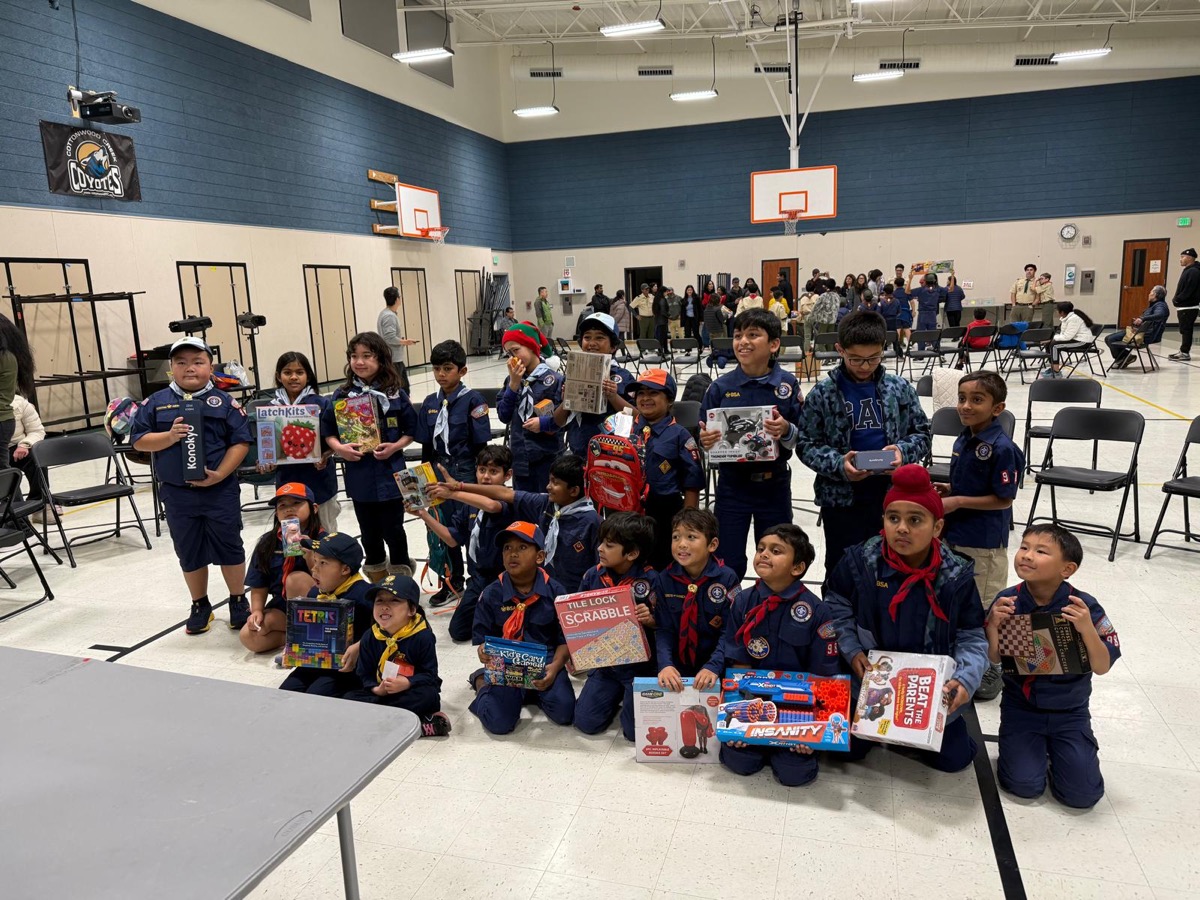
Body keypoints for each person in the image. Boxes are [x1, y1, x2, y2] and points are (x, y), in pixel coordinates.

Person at [825, 464, 989, 774]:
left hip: (927, 686)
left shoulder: (955, 574)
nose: (902, 528)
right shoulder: (861, 560)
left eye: (915, 520)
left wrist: (966, 679)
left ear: (937, 527)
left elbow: (972, 635)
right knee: (846, 750)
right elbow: (836, 603)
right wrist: (851, 649)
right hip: (871, 677)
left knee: (954, 761)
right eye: (893, 518)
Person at [987, 525, 1120, 808]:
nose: (1027, 555)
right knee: (1023, 786)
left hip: (1070, 712)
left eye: (1041, 551)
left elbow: (1102, 666)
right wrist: (993, 627)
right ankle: (1029, 750)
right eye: (1024, 547)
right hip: (1021, 708)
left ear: (1067, 569)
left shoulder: (1083, 606)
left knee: (1083, 795)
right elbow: (994, 659)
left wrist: (1087, 629)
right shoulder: (1008, 601)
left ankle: (1059, 751)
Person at [797, 311, 931, 584]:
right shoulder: (823, 393)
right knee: (842, 564)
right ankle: (839, 620)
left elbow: (922, 433)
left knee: (892, 562)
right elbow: (806, 444)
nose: (864, 366)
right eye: (855, 359)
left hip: (892, 491)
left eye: (873, 358)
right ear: (840, 349)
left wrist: (901, 452)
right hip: (841, 495)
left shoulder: (899, 388)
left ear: (883, 348)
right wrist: (838, 465)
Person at [130, 337, 253, 635]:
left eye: (198, 362)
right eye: (181, 362)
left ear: (211, 367)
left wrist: (222, 474)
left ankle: (238, 600)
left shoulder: (224, 402)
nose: (189, 368)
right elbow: (138, 440)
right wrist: (169, 437)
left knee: (230, 544)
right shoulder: (156, 403)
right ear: (171, 368)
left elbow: (240, 442)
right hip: (177, 493)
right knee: (188, 549)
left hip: (218, 491)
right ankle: (200, 604)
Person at [720, 525, 840, 787]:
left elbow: (824, 674)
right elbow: (738, 661)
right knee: (739, 760)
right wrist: (738, 721)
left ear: (797, 568)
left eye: (775, 551)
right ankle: (760, 742)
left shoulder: (817, 611)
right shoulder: (743, 601)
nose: (763, 554)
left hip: (797, 708)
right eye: (761, 548)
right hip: (755, 701)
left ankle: (785, 748)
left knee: (794, 773)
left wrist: (812, 733)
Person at [933, 371, 1025, 701]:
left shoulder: (1002, 448)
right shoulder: (965, 437)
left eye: (977, 400)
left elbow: (1004, 498)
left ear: (997, 408)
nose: (966, 406)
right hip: (956, 534)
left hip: (984, 542)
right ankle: (963, 658)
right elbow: (971, 486)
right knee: (956, 598)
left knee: (984, 606)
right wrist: (950, 489)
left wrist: (956, 501)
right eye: (962, 398)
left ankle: (992, 666)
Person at [698, 308, 804, 580]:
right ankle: (728, 613)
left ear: (774, 344)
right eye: (737, 335)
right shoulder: (720, 388)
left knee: (778, 556)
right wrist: (706, 442)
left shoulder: (787, 385)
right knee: (727, 559)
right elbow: (705, 437)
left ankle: (772, 613)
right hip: (733, 486)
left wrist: (786, 430)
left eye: (753, 335)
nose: (742, 341)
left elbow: (802, 436)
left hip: (774, 485)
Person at [324, 332, 417, 584]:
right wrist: (340, 449)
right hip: (360, 478)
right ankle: (377, 584)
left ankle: (401, 584)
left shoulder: (395, 393)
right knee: (369, 534)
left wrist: (395, 446)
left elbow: (411, 430)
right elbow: (328, 433)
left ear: (381, 359)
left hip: (391, 476)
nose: (359, 362)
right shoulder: (341, 396)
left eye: (367, 356)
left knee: (395, 531)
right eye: (354, 356)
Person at [468, 522, 575, 734]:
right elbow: (483, 638)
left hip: (546, 662)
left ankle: (531, 692)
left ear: (540, 557)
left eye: (522, 548)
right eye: (507, 548)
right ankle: (481, 682)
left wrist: (554, 669)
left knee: (565, 713)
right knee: (499, 724)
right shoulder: (492, 593)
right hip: (506, 663)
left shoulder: (556, 591)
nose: (512, 554)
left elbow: (565, 639)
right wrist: (483, 652)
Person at [413, 339, 492, 606]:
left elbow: (481, 445)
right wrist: (424, 477)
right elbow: (426, 444)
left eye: (447, 368)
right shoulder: (429, 403)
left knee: (471, 526)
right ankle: (452, 580)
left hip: (466, 469)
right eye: (436, 369)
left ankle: (478, 581)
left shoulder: (473, 400)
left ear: (462, 371)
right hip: (438, 469)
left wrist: (481, 478)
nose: (441, 375)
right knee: (443, 528)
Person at [452, 453, 599, 593]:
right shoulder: (545, 504)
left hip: (577, 594)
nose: (548, 486)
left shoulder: (592, 522)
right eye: (549, 480)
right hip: (545, 590)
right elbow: (505, 493)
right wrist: (461, 487)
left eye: (555, 483)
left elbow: (600, 568)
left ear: (573, 491)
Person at [573, 512, 658, 741]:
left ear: (632, 553)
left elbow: (668, 625)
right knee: (585, 722)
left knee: (634, 735)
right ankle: (612, 694)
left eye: (609, 545)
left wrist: (651, 619)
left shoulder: (652, 581)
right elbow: (578, 618)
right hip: (606, 665)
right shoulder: (593, 575)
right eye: (601, 542)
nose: (600, 548)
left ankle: (627, 696)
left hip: (640, 669)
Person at [420, 446, 515, 642]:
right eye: (481, 470)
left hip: (506, 580)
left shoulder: (509, 500)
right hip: (478, 577)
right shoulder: (468, 505)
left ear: (508, 475)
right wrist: (422, 514)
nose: (486, 477)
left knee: (507, 629)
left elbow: (491, 506)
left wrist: (452, 493)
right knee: (458, 631)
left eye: (493, 472)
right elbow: (451, 539)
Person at [612, 368, 703, 568]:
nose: (645, 398)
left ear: (669, 399)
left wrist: (687, 524)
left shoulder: (680, 436)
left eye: (653, 393)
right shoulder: (624, 429)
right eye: (641, 393)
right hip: (628, 510)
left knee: (663, 564)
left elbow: (692, 482)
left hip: (664, 511)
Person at [345, 573, 452, 737]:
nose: (384, 606)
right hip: (380, 694)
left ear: (412, 609)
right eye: (379, 600)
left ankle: (381, 721)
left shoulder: (422, 636)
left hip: (409, 692)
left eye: (394, 600)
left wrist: (408, 683)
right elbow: (364, 674)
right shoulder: (370, 636)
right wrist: (376, 689)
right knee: (349, 697)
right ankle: (415, 724)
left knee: (427, 696)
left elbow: (430, 676)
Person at [653, 508, 741, 692]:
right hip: (676, 666)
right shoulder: (664, 579)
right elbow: (663, 629)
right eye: (676, 537)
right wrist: (665, 665)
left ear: (712, 544)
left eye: (691, 537)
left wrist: (713, 666)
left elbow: (729, 631)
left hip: (716, 663)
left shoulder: (727, 579)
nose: (681, 544)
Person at [278, 532, 372, 696]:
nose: (314, 568)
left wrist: (361, 645)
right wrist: (293, 649)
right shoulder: (315, 593)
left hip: (348, 669)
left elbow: (389, 632)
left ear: (345, 569)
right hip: (314, 662)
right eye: (315, 561)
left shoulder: (366, 596)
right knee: (285, 693)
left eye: (323, 563)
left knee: (317, 696)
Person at [239, 482, 323, 655]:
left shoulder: (324, 540)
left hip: (320, 608)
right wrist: (256, 611)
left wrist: (310, 557)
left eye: (296, 503)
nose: (288, 509)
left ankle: (305, 640)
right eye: (282, 505)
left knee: (296, 579)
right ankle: (293, 638)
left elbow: (329, 584)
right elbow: (259, 582)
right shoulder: (267, 543)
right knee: (249, 635)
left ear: (314, 508)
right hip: (283, 605)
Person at [259, 351, 340, 530]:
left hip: (319, 480)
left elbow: (334, 440)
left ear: (308, 376)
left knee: (325, 532)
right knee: (293, 538)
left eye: (300, 372)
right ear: (278, 377)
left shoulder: (321, 404)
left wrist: (325, 455)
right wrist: (266, 461)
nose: (294, 377)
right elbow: (267, 446)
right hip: (287, 483)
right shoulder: (270, 409)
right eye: (287, 372)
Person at [552, 312, 632, 457]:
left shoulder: (623, 377)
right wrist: (566, 401)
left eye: (600, 338)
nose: (592, 343)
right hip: (579, 451)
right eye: (587, 337)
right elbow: (557, 421)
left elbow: (637, 418)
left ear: (613, 346)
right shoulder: (571, 375)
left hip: (613, 455)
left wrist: (613, 397)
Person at [497, 321, 563, 492]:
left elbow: (565, 419)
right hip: (519, 458)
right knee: (523, 505)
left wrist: (543, 423)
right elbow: (503, 416)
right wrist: (513, 385)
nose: (514, 358)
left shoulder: (554, 380)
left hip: (547, 456)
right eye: (509, 353)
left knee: (545, 503)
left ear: (532, 347)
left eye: (517, 350)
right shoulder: (511, 380)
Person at [0, 313, 36, 470]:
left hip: (1, 421)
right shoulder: (7, 357)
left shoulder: (4, 358)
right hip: (4, 421)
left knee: (2, 475)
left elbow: (37, 431)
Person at [9, 393, 52, 519]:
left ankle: (39, 505)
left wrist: (25, 445)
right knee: (5, 472)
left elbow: (37, 430)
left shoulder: (19, 402)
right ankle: (13, 513)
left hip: (17, 446)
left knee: (36, 459)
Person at [1108, 286, 1170, 368]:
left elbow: (1160, 314)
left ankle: (1124, 357)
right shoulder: (1155, 305)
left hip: (1143, 335)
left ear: (1154, 295)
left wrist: (1142, 318)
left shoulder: (1160, 306)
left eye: (1150, 292)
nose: (1149, 294)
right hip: (1140, 331)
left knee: (1110, 339)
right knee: (1110, 338)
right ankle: (1125, 357)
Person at [377, 286, 418, 393]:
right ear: (397, 299)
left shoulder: (388, 314)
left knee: (404, 387)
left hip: (396, 359)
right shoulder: (389, 316)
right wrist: (406, 342)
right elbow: (389, 337)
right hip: (393, 359)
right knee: (400, 389)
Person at [1040, 301, 1094, 378]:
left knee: (1055, 346)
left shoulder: (1074, 319)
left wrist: (1054, 339)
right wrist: (1051, 340)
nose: (1056, 311)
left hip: (1083, 342)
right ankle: (1053, 368)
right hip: (1075, 339)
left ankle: (1056, 372)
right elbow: (1064, 335)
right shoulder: (1066, 318)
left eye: (1057, 310)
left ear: (1062, 312)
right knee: (1049, 344)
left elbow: (1067, 337)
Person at [1169, 247, 1200, 361]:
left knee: (1186, 330)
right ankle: (1183, 350)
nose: (1180, 259)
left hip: (1189, 306)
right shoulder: (1189, 270)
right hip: (1184, 306)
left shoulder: (1194, 271)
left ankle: (1185, 352)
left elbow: (1189, 289)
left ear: (1190, 258)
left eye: (1183, 257)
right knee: (1184, 329)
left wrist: (1177, 299)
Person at [911, 273, 945, 339]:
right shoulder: (938, 290)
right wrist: (952, 276)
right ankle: (935, 348)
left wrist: (910, 279)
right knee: (933, 334)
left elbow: (907, 292)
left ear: (925, 281)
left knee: (921, 334)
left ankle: (921, 349)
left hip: (922, 314)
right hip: (932, 314)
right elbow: (950, 289)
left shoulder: (920, 290)